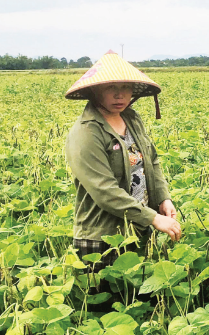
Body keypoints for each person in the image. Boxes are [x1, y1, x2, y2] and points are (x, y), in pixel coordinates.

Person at [65, 50, 182, 278]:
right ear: (95, 90)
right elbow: (105, 191)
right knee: (107, 298)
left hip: (139, 228)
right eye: (111, 87)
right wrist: (153, 218)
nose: (119, 95)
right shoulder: (87, 132)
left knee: (142, 295)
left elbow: (151, 160)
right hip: (103, 238)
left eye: (126, 87)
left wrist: (163, 199)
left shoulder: (131, 118)